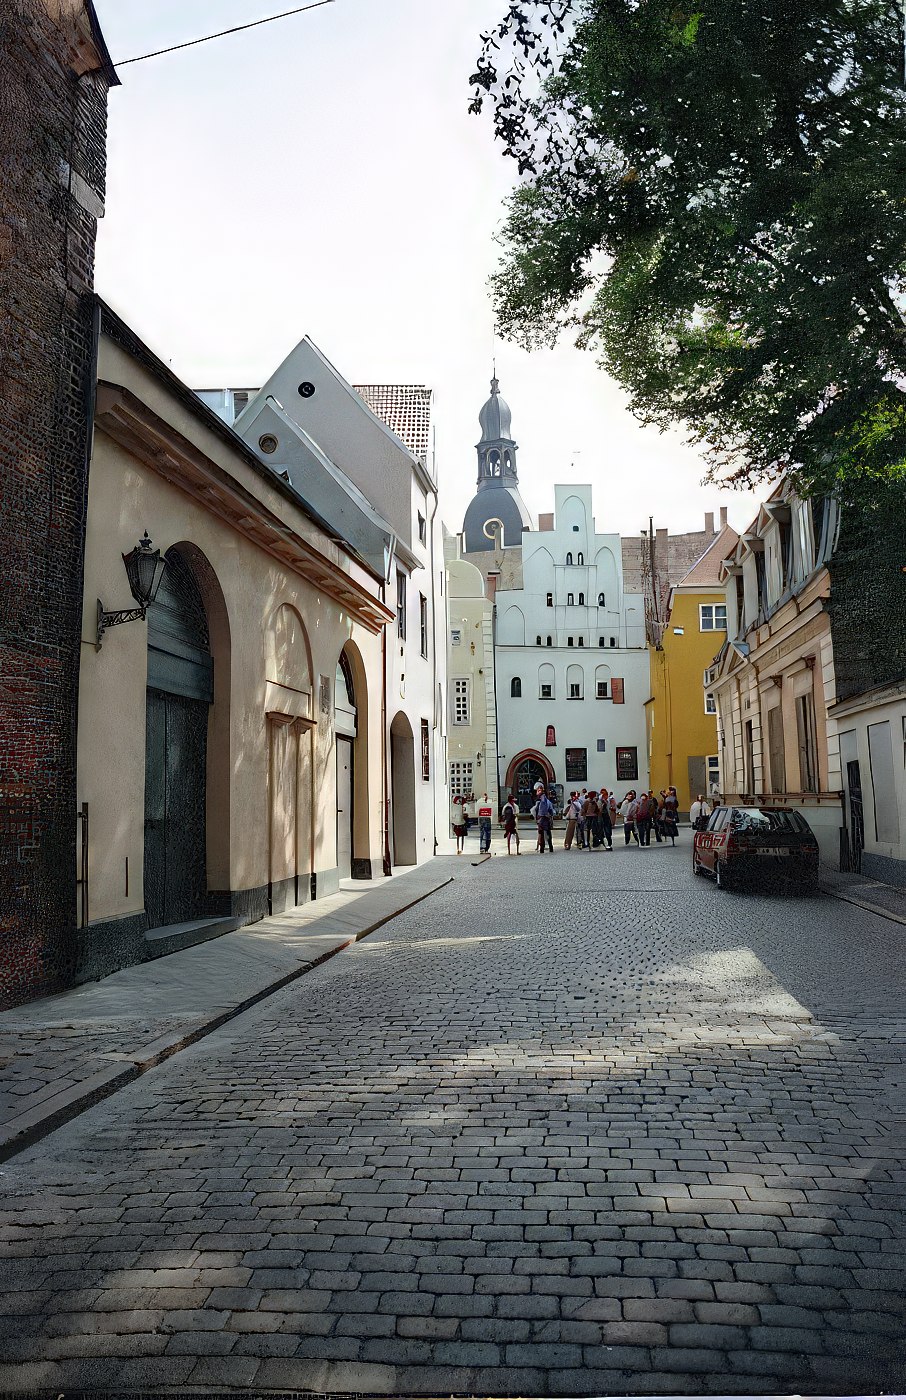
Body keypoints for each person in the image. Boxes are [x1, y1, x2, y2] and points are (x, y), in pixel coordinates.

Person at [535, 785, 554, 852]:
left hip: (543, 819)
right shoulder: (546, 800)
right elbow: (551, 810)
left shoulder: (543, 800)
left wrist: (539, 817)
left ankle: (542, 848)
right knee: (548, 833)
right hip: (546, 818)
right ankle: (550, 847)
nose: (537, 792)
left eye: (538, 791)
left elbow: (543, 810)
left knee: (542, 833)